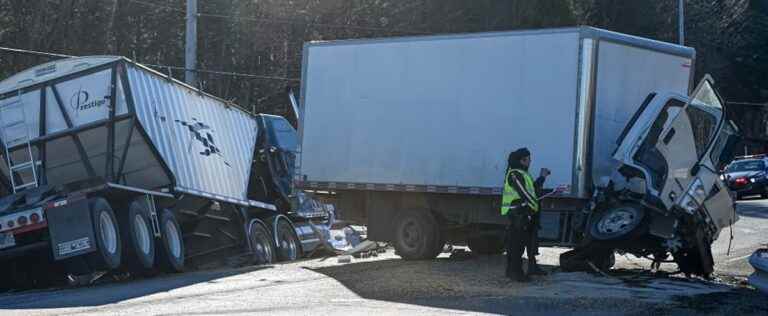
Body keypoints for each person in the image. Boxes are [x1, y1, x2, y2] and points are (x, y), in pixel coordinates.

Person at [501, 147, 550, 282]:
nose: (530, 162)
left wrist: (542, 178)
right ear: (522, 160)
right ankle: (515, 273)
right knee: (516, 245)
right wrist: (534, 206)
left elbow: (531, 190)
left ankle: (526, 269)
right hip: (517, 213)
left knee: (524, 243)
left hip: (523, 213)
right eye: (528, 159)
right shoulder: (515, 174)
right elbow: (526, 193)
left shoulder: (523, 173)